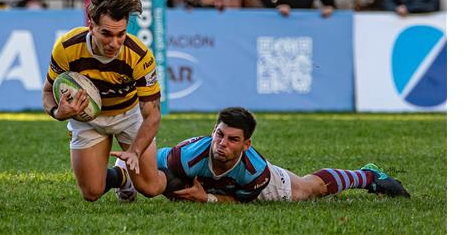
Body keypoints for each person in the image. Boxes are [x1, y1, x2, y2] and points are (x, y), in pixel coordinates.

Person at [111, 107, 410, 203]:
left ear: (246, 144)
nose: (222, 143)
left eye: (232, 139)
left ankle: (368, 176)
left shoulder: (255, 172)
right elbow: (150, 163)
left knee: (308, 189)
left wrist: (209, 199)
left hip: (243, 187)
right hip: (202, 177)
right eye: (219, 134)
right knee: (157, 178)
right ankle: (120, 182)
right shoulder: (188, 154)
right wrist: (124, 169)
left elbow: (241, 201)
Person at [42, 0, 167, 202]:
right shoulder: (67, 47)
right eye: (106, 34)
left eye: (121, 34)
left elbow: (153, 114)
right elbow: (47, 92)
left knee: (151, 188)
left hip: (129, 116)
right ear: (91, 26)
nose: (115, 43)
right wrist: (56, 112)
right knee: (92, 192)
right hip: (87, 119)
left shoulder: (139, 55)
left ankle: (179, 172)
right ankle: (121, 177)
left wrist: (135, 151)